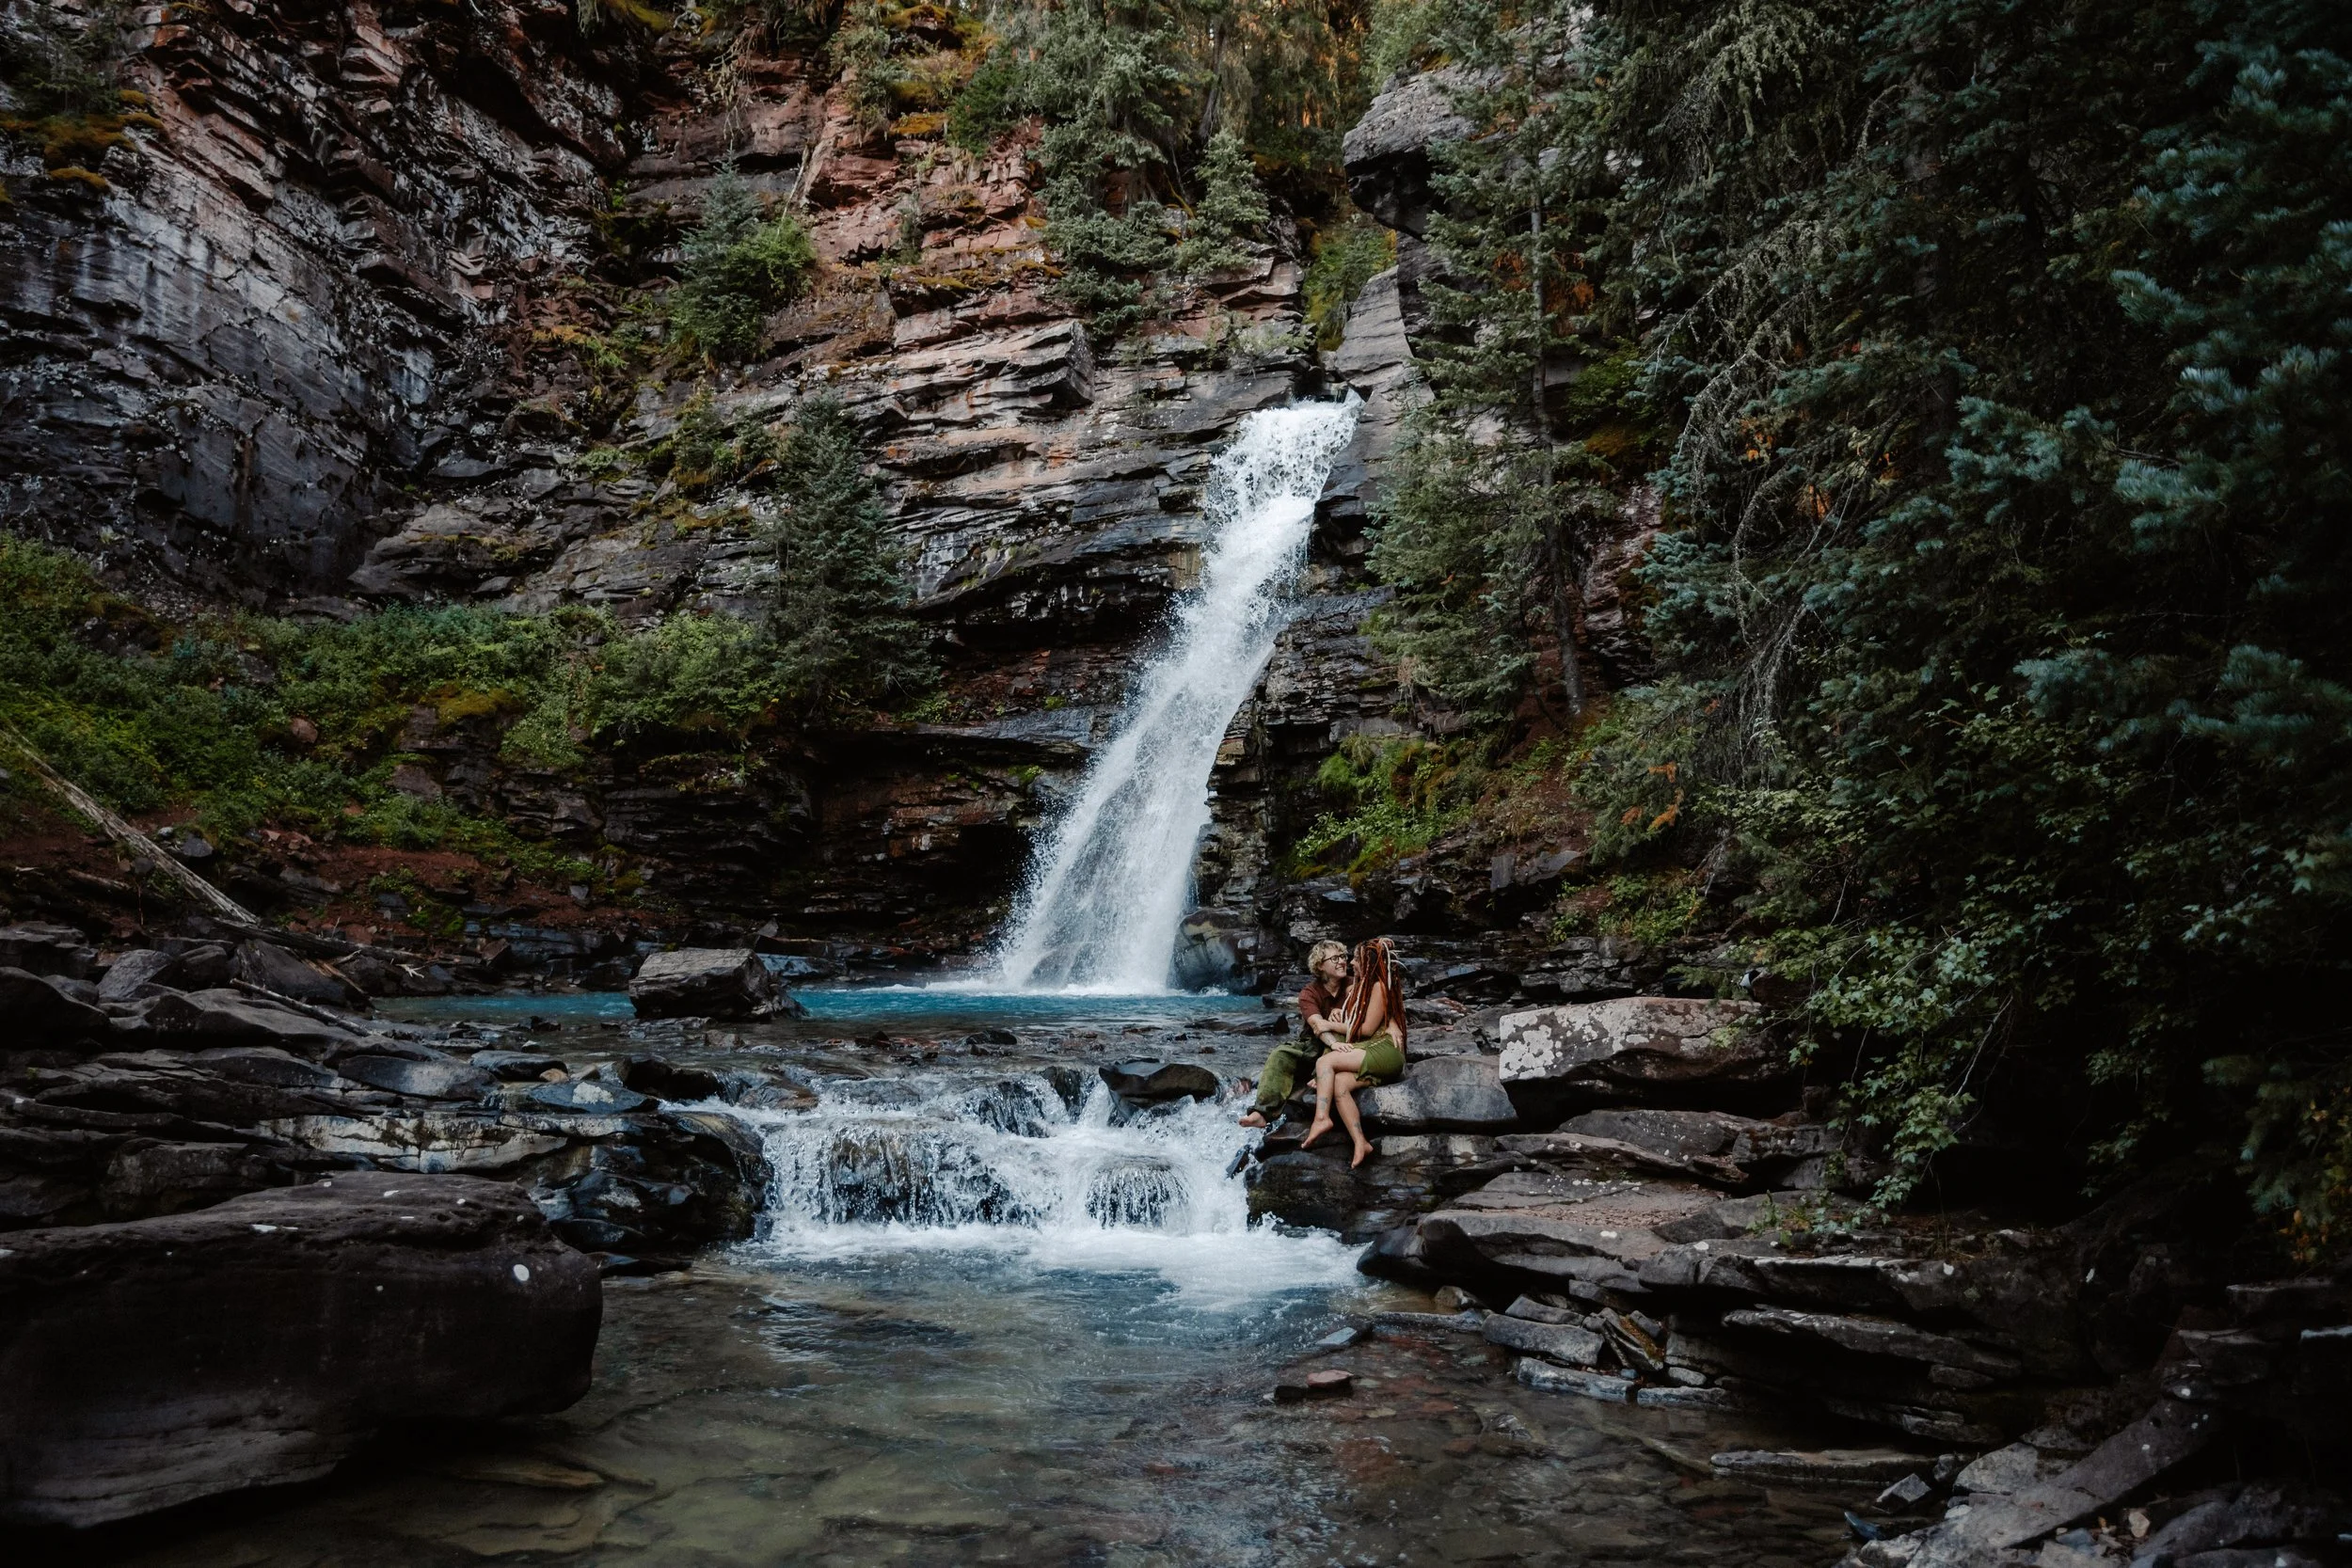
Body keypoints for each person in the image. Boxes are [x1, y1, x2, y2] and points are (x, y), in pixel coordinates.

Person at [1299, 937, 1406, 1168]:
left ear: (1367, 964)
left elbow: (1366, 1028)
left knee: (1325, 1063)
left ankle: (1321, 1118)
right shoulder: (1356, 987)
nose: (1351, 963)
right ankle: (1361, 1142)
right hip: (1370, 1049)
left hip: (1385, 1051)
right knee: (1339, 1084)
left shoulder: (1377, 987)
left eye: (1355, 960)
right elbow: (1353, 1014)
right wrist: (1338, 1013)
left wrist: (1330, 1025)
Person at [1237, 941, 1351, 1129]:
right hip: (1313, 1042)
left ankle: (1321, 1075)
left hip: (1347, 1040)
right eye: (1335, 958)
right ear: (1320, 965)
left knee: (1340, 1036)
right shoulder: (1309, 992)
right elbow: (1316, 1024)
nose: (1342, 962)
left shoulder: (1353, 985)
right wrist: (1332, 1041)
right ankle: (1261, 1112)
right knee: (1280, 1054)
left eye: (1343, 957)